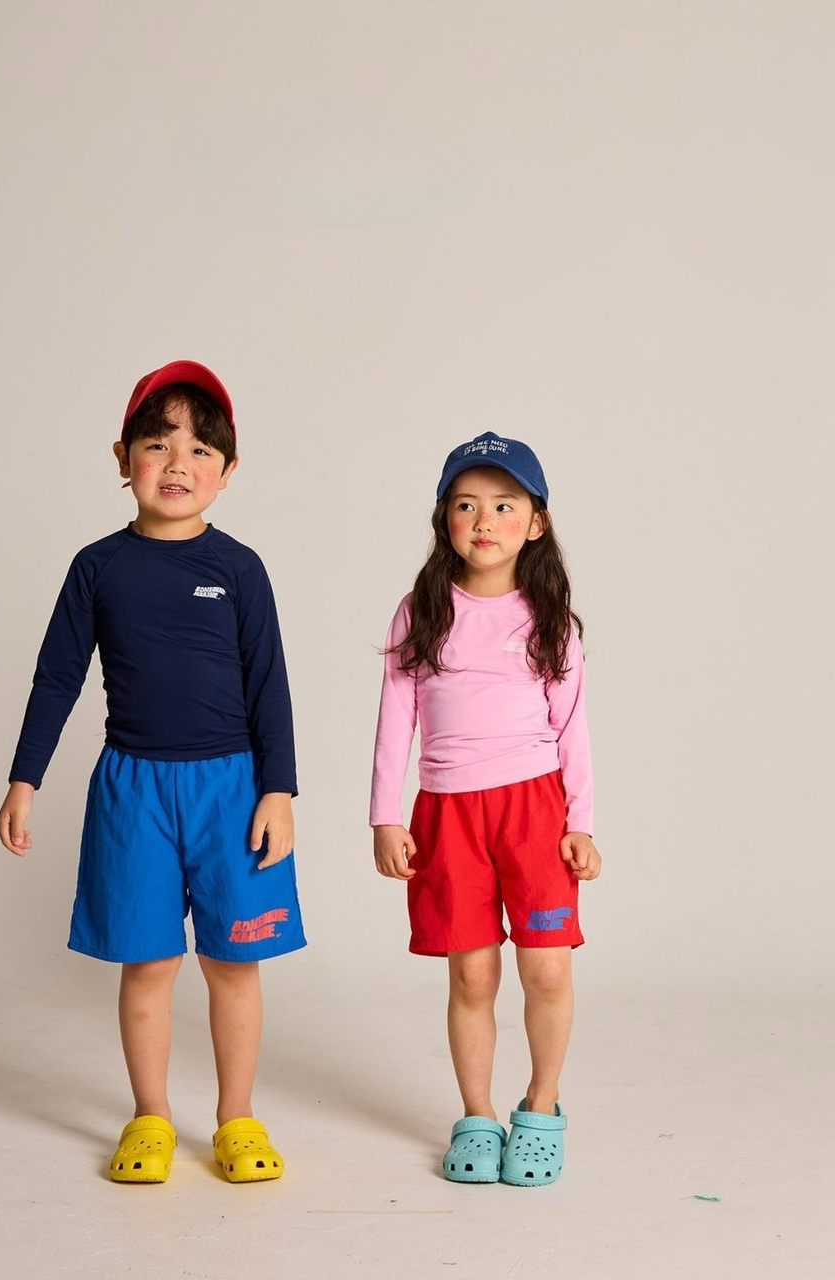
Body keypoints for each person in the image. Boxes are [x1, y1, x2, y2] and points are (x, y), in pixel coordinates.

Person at [0, 360, 305, 1185]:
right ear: (122, 456)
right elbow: (57, 677)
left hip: (231, 790)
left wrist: (278, 791)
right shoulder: (97, 567)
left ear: (227, 471)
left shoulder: (240, 568)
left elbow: (269, 683)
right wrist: (25, 778)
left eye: (201, 450)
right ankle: (151, 1116)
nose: (178, 463)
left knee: (233, 964)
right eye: (158, 444)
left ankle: (236, 1117)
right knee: (150, 964)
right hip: (133, 790)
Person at [370, 431, 601, 1186]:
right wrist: (385, 815)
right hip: (448, 814)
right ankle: (476, 1114)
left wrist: (580, 823)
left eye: (504, 505)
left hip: (534, 811)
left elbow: (573, 728)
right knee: (471, 975)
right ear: (445, 518)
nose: (484, 520)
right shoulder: (421, 611)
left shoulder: (550, 617)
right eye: (466, 504)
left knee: (547, 969)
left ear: (536, 522)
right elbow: (395, 717)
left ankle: (542, 1106)